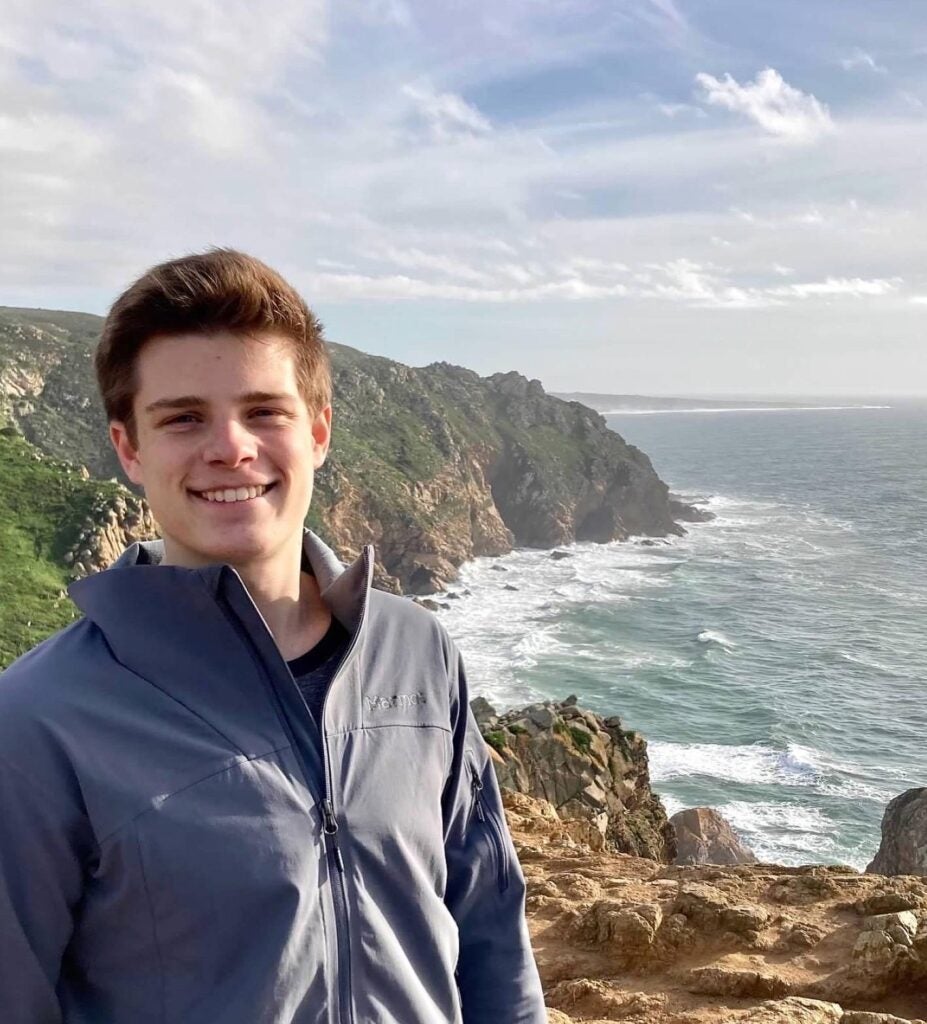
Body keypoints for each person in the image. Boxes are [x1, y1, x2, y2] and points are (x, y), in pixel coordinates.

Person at [0, 249, 546, 1024]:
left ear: (317, 432)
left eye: (264, 411)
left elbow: (490, 932)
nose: (230, 447)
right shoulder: (37, 718)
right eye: (183, 417)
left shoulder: (419, 652)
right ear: (128, 448)